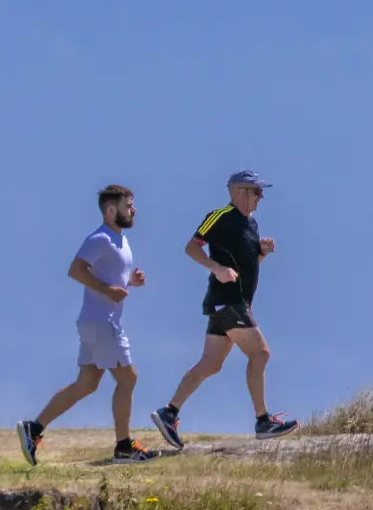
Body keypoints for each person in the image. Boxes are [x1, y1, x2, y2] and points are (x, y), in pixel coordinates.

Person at [149, 171, 299, 449]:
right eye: (256, 192)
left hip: (235, 302)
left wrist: (262, 252)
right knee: (260, 353)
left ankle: (168, 413)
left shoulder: (251, 224)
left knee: (211, 364)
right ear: (239, 191)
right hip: (227, 301)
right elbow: (191, 248)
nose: (260, 198)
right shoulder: (219, 216)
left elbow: (248, 267)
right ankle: (263, 420)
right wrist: (216, 269)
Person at [16, 185, 159, 466]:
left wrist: (130, 281)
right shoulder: (100, 239)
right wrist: (108, 290)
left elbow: (110, 276)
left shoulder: (120, 240)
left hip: (96, 322)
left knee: (86, 384)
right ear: (110, 210)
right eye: (128, 205)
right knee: (128, 378)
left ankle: (34, 429)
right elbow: (75, 270)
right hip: (102, 322)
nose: (134, 210)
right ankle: (123, 447)